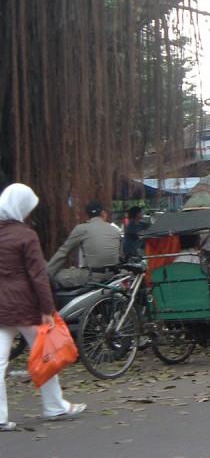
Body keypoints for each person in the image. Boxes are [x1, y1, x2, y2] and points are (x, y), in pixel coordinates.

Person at [0, 184, 86, 430]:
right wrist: (48, 308)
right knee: (47, 354)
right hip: (26, 306)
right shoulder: (26, 235)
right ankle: (54, 406)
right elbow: (38, 275)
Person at [47, 200, 122, 288]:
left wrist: (47, 272)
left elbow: (63, 253)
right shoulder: (115, 230)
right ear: (102, 213)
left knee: (57, 275)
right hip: (113, 275)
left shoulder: (81, 229)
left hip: (93, 277)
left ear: (87, 214)